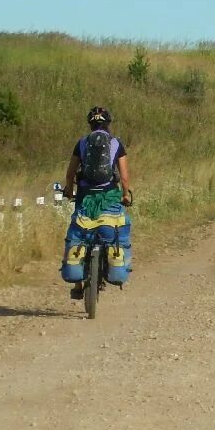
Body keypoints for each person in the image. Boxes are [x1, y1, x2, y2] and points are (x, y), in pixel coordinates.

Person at [60, 106, 134, 297]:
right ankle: (113, 266)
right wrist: (125, 195)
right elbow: (124, 177)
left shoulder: (82, 143)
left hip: (85, 196)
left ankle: (78, 285)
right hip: (109, 196)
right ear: (108, 124)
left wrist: (69, 190)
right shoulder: (116, 143)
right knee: (115, 228)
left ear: (90, 124)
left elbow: (70, 173)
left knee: (79, 233)